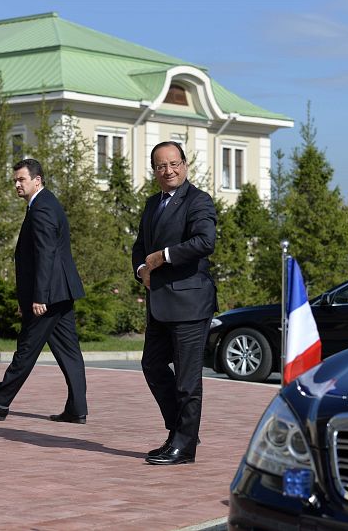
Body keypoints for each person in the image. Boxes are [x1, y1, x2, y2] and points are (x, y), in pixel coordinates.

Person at [0, 158, 88, 423]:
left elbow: (45, 254)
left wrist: (39, 297)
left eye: (21, 180)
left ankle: (0, 401)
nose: (17, 185)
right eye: (15, 181)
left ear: (37, 180)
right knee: (69, 352)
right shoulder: (44, 203)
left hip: (50, 294)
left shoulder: (42, 207)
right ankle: (77, 409)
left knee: (27, 348)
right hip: (60, 292)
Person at [132, 141, 217, 465]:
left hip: (190, 302)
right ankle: (181, 431)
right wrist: (142, 269)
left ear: (185, 164)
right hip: (159, 301)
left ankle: (184, 446)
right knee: (152, 366)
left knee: (186, 380)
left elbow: (205, 241)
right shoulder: (153, 203)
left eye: (173, 163)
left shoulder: (198, 201)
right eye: (160, 166)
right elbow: (140, 246)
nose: (168, 170)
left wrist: (163, 257)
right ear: (154, 171)